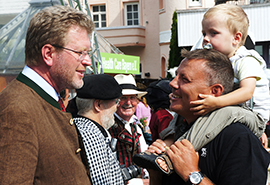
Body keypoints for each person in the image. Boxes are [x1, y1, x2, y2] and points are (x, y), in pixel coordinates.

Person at [136, 49, 270, 185]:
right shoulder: (178, 131)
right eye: (176, 76)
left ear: (215, 91)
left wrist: (192, 174)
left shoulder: (239, 139)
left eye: (185, 79)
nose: (172, 83)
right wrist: (156, 173)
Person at [0, 5, 94, 184]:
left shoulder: (42, 100)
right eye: (79, 52)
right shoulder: (17, 109)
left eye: (88, 52)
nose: (88, 61)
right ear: (48, 54)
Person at [190, 3, 270, 148]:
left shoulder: (246, 60)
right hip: (237, 112)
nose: (206, 39)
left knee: (222, 113)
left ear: (236, 38)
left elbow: (247, 92)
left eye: (213, 33)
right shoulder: (221, 63)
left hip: (254, 117)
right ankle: (168, 139)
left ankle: (186, 147)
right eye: (204, 34)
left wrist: (216, 103)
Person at [74, 74, 124, 185]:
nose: (117, 107)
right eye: (116, 102)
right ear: (99, 105)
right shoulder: (92, 136)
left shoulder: (77, 126)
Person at [108, 74, 149, 185]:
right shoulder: (107, 127)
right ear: (115, 101)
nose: (129, 102)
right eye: (123, 98)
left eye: (132, 98)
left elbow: (144, 153)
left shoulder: (136, 126)